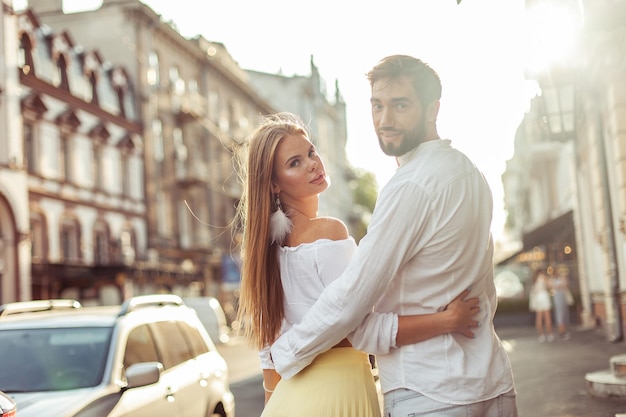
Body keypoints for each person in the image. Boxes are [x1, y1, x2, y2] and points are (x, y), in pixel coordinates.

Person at [269, 55, 518, 417]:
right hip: (490, 385)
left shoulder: (411, 186)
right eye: (377, 105)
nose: (385, 120)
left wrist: (285, 353)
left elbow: (351, 302)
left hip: (431, 392)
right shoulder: (470, 172)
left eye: (400, 105)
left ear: (433, 109)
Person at [235, 112, 481, 416]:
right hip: (338, 395)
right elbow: (364, 329)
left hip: (287, 402)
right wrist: (447, 321)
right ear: (274, 184)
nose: (313, 163)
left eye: (311, 152)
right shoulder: (328, 233)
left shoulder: (264, 258)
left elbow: (269, 368)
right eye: (294, 162)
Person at [529, 268, 554, 342]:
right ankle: (550, 334)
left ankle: (541, 335)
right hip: (544, 297)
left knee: (539, 318)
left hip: (537, 298)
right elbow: (549, 285)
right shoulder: (542, 277)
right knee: (547, 317)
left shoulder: (534, 279)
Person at [549, 265, 572, 340]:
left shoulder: (561, 278)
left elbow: (566, 285)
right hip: (557, 296)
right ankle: (561, 331)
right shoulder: (552, 279)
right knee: (559, 313)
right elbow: (555, 287)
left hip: (562, 296)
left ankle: (563, 329)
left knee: (563, 312)